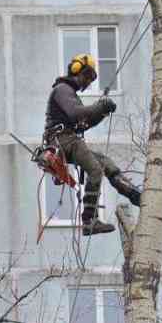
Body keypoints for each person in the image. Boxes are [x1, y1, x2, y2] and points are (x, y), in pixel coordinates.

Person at [43, 54, 141, 236]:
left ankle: (133, 194)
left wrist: (102, 112)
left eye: (91, 79)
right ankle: (89, 220)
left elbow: (83, 123)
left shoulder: (70, 94)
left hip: (70, 140)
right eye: (87, 76)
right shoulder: (62, 89)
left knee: (105, 163)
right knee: (95, 170)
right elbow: (75, 113)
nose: (88, 82)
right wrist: (99, 107)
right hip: (62, 141)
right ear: (77, 71)